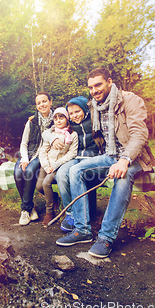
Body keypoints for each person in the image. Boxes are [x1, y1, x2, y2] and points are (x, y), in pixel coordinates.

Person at [56, 67, 155, 259]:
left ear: (110, 82)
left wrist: (124, 160)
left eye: (98, 85)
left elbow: (139, 134)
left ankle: (106, 238)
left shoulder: (130, 100)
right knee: (75, 170)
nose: (94, 90)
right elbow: (85, 122)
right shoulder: (94, 105)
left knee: (123, 175)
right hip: (109, 155)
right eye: (91, 87)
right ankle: (82, 230)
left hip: (133, 157)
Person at [42, 96, 101, 232]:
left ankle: (86, 213)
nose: (75, 115)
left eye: (77, 112)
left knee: (79, 174)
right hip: (74, 157)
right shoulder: (69, 125)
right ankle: (70, 212)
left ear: (84, 110)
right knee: (62, 174)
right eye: (72, 113)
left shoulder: (94, 121)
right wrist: (52, 138)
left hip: (92, 157)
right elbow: (47, 132)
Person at [15, 92, 54, 225]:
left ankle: (25, 210)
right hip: (29, 153)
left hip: (43, 155)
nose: (42, 105)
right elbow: (24, 143)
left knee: (30, 171)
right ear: (36, 106)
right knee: (18, 172)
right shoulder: (32, 121)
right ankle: (30, 208)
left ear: (50, 102)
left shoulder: (57, 119)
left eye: (44, 101)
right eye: (39, 103)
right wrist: (24, 159)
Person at [36, 108, 78, 225]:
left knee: (46, 183)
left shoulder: (72, 135)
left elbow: (72, 153)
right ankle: (54, 197)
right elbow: (43, 151)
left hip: (59, 165)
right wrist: (46, 166)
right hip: (46, 164)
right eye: (56, 118)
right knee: (39, 186)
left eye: (61, 117)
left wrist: (55, 165)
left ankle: (50, 212)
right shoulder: (51, 134)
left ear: (67, 118)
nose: (58, 121)